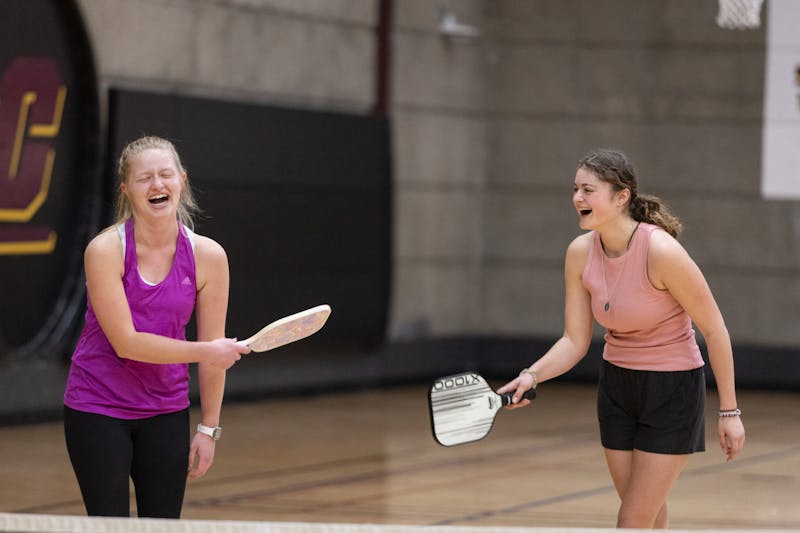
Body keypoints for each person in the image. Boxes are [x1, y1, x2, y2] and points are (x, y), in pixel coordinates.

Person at [497, 149, 746, 529]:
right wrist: (531, 375)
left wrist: (729, 413)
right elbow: (574, 340)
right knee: (646, 512)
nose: (577, 197)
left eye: (588, 190)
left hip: (672, 390)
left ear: (621, 196)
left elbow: (715, 329)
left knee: (631, 519)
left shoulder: (660, 251)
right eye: (575, 189)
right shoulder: (579, 253)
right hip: (617, 387)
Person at [63, 136, 251, 518]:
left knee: (162, 526)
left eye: (165, 174)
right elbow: (127, 343)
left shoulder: (209, 257)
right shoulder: (104, 251)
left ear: (182, 180)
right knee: (109, 527)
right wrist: (207, 351)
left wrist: (208, 429)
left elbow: (214, 354)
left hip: (166, 411)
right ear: (126, 189)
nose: (157, 184)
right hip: (98, 407)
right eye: (144, 178)